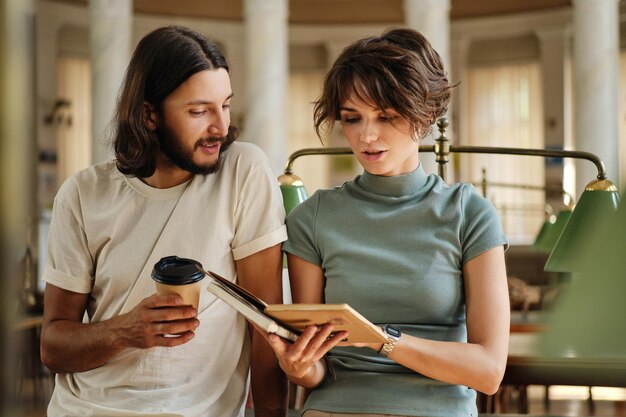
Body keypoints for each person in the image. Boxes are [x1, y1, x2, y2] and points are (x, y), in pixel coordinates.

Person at [40, 25, 287, 417]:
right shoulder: (82, 194)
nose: (220, 128)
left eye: (224, 105)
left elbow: (266, 327)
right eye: (198, 111)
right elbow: (53, 346)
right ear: (149, 114)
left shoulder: (244, 172)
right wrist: (124, 331)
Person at [266, 28, 510, 417]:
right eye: (352, 118)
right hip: (336, 409)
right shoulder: (313, 216)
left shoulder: (470, 214)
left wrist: (382, 340)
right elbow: (316, 369)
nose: (367, 135)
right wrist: (299, 367)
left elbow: (488, 371)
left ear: (425, 114)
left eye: (386, 116)